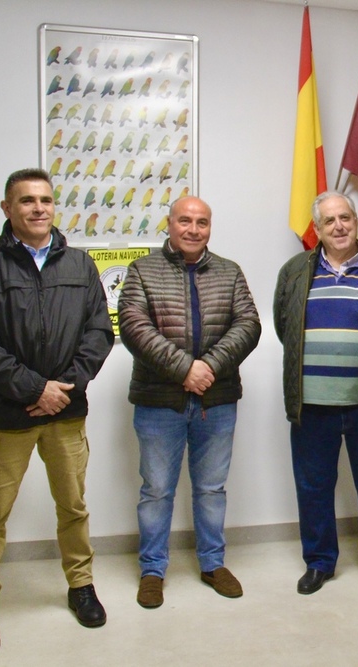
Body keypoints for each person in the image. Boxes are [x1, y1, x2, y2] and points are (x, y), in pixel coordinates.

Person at [0, 168, 114, 655]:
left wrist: (62, 389)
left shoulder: (81, 266)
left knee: (73, 507)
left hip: (66, 412)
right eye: (26, 200)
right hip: (9, 414)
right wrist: (33, 388)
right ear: (7, 209)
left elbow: (98, 333)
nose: (38, 208)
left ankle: (81, 586)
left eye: (45, 199)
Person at [118, 195, 260, 609]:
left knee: (212, 489)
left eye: (202, 222)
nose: (193, 229)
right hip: (158, 401)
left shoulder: (230, 272)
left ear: (210, 227)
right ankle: (152, 570)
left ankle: (213, 563)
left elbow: (248, 323)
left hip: (216, 400)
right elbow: (134, 327)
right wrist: (184, 369)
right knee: (157, 490)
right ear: (169, 223)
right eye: (185, 220)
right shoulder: (142, 270)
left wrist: (208, 367)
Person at [273, 191, 358, 595]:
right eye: (329, 220)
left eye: (345, 217)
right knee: (313, 488)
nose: (339, 226)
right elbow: (286, 326)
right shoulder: (296, 271)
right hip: (312, 405)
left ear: (356, 221)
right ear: (317, 228)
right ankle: (319, 562)